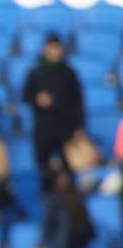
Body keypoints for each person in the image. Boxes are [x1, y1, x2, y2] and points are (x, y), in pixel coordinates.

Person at [21, 34, 84, 175]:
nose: (55, 51)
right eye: (51, 47)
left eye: (57, 47)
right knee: (44, 170)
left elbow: (78, 102)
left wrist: (79, 127)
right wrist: (38, 99)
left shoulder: (69, 74)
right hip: (43, 131)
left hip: (65, 130)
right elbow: (25, 96)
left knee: (68, 170)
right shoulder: (35, 73)